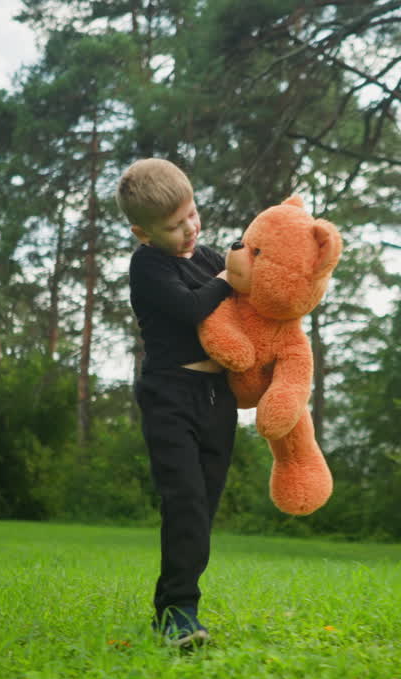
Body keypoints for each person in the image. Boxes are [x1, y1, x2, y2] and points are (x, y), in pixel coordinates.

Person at [117, 158, 237, 648]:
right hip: (170, 395)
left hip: (219, 398)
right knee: (184, 501)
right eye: (173, 225)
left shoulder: (208, 259)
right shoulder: (148, 265)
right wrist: (230, 277)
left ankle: (177, 604)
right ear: (143, 233)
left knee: (203, 507)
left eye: (192, 214)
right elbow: (192, 309)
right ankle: (177, 611)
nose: (189, 229)